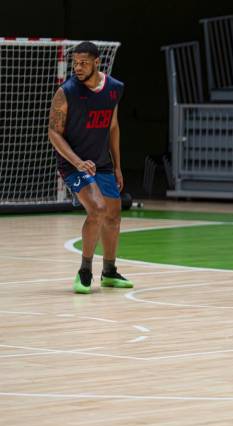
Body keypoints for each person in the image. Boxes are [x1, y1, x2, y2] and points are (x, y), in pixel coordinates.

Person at [48, 41, 133, 294]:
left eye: (83, 62)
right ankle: (85, 271)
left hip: (101, 162)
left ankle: (109, 272)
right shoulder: (66, 92)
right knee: (97, 209)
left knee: (114, 215)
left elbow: (113, 127)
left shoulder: (114, 89)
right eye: (75, 63)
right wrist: (76, 162)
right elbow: (54, 132)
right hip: (73, 164)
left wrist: (117, 166)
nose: (78, 67)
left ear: (97, 62)